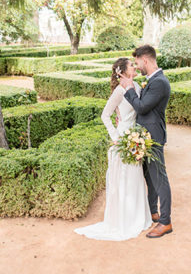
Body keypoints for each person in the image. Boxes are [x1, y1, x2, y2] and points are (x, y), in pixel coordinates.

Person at [74, 57, 152, 241]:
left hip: (136, 137)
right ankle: (124, 221)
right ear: (122, 72)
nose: (134, 66)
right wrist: (115, 137)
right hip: (124, 138)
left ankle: (137, 217)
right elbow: (105, 115)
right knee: (125, 178)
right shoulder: (119, 91)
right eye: (131, 65)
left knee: (135, 178)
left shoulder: (137, 87)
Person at [119, 45, 173, 238]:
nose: (137, 66)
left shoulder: (159, 82)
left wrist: (128, 89)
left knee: (159, 179)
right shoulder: (153, 80)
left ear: (146, 60)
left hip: (154, 138)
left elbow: (141, 107)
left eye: (137, 62)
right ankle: (153, 212)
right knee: (150, 178)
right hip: (146, 137)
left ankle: (165, 222)